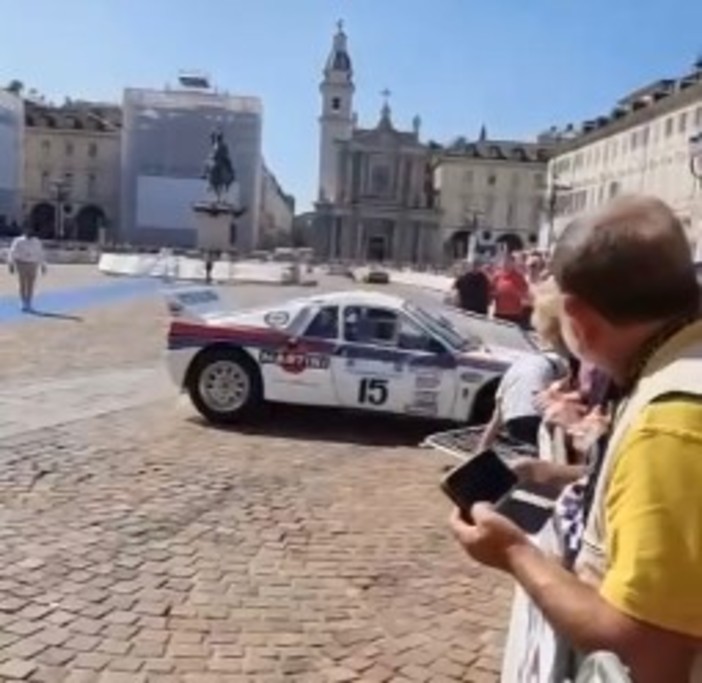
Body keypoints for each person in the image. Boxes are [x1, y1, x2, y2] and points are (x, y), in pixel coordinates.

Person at [450, 196, 702, 683]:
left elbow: (646, 656)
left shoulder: (669, 421)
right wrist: (554, 473)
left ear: (577, 319)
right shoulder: (678, 371)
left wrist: (513, 553)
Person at [476, 278, 569, 451]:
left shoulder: (516, 368)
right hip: (536, 414)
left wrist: (481, 450)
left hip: (513, 419)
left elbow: (496, 418)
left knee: (527, 450)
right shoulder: (556, 362)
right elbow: (569, 384)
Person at [8, 227, 46, 312]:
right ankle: (23, 302)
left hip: (33, 264)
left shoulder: (37, 241)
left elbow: (40, 253)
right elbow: (12, 252)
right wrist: (11, 264)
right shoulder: (18, 241)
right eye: (28, 231)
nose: (29, 232)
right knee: (22, 284)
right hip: (21, 263)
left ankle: (29, 302)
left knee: (30, 285)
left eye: (31, 231)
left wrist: (43, 265)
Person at [490, 251, 530, 327]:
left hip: (514, 314)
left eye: (508, 262)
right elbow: (492, 292)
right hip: (499, 313)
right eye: (503, 262)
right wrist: (494, 294)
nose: (505, 264)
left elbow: (525, 295)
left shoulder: (519, 277)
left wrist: (518, 295)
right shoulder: (497, 276)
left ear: (513, 263)